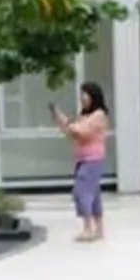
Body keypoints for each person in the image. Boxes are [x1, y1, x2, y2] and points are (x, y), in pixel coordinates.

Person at [51, 81, 111, 241]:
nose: (82, 98)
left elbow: (82, 131)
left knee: (82, 191)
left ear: (93, 95)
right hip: (82, 159)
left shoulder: (98, 115)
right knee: (94, 194)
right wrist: (59, 118)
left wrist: (67, 122)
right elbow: (72, 133)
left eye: (85, 94)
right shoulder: (84, 115)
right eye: (81, 94)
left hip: (93, 159)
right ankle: (99, 229)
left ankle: (88, 228)